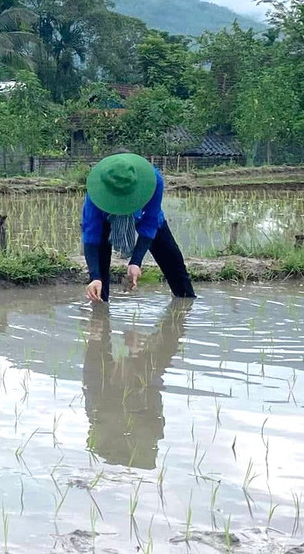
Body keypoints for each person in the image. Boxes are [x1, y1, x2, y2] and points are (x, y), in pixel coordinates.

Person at [83, 300, 192, 468]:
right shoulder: (145, 380)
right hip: (122, 416)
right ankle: (100, 309)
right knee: (97, 337)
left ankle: (102, 314)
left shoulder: (143, 379)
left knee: (97, 335)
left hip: (124, 415)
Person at [82, 153, 196, 303]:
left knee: (174, 263)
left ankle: (185, 304)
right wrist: (95, 276)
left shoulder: (153, 181)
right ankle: (100, 313)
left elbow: (150, 222)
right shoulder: (96, 194)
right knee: (99, 280)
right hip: (106, 218)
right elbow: (91, 237)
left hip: (143, 214)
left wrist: (136, 261)